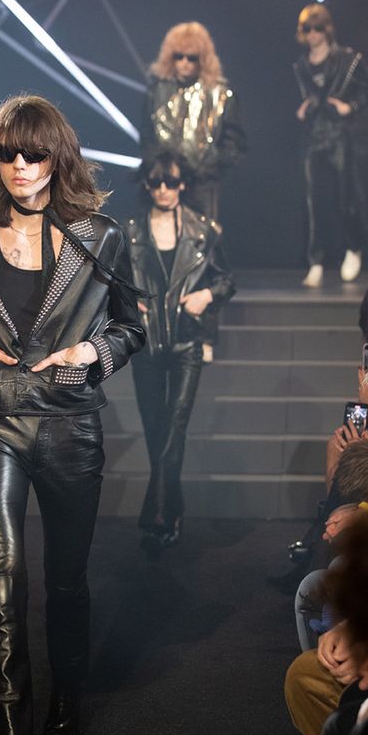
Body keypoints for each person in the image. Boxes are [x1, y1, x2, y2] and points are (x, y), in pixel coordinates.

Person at [0, 94, 144, 735]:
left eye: (34, 154)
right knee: (2, 579)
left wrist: (90, 355)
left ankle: (68, 700)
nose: (21, 167)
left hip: (69, 423)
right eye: (8, 155)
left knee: (65, 581)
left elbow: (132, 326)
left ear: (57, 157)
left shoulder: (100, 234)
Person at [123, 151, 234, 554]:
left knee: (175, 424)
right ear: (147, 186)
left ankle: (157, 513)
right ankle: (174, 507)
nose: (164, 190)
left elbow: (226, 281)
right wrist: (128, 300)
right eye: (156, 183)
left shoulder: (203, 230)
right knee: (156, 428)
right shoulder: (130, 231)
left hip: (187, 339)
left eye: (170, 182)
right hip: (147, 341)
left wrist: (206, 294)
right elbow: (111, 281)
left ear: (183, 184)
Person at [293, 3, 368, 288]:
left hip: (339, 134)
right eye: (306, 29)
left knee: (344, 195)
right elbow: (295, 98)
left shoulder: (348, 59)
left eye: (317, 28)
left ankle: (353, 246)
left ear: (327, 30)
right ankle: (316, 261)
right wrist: (301, 110)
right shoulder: (300, 65)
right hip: (313, 134)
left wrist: (351, 107)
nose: (312, 34)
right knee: (313, 199)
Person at [141, 21, 246, 223]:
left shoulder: (221, 94)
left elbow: (234, 141)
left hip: (202, 184)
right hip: (163, 182)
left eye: (192, 58)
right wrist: (157, 166)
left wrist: (210, 167)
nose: (185, 62)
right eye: (179, 56)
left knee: (200, 242)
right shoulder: (157, 91)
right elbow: (146, 135)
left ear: (203, 59)